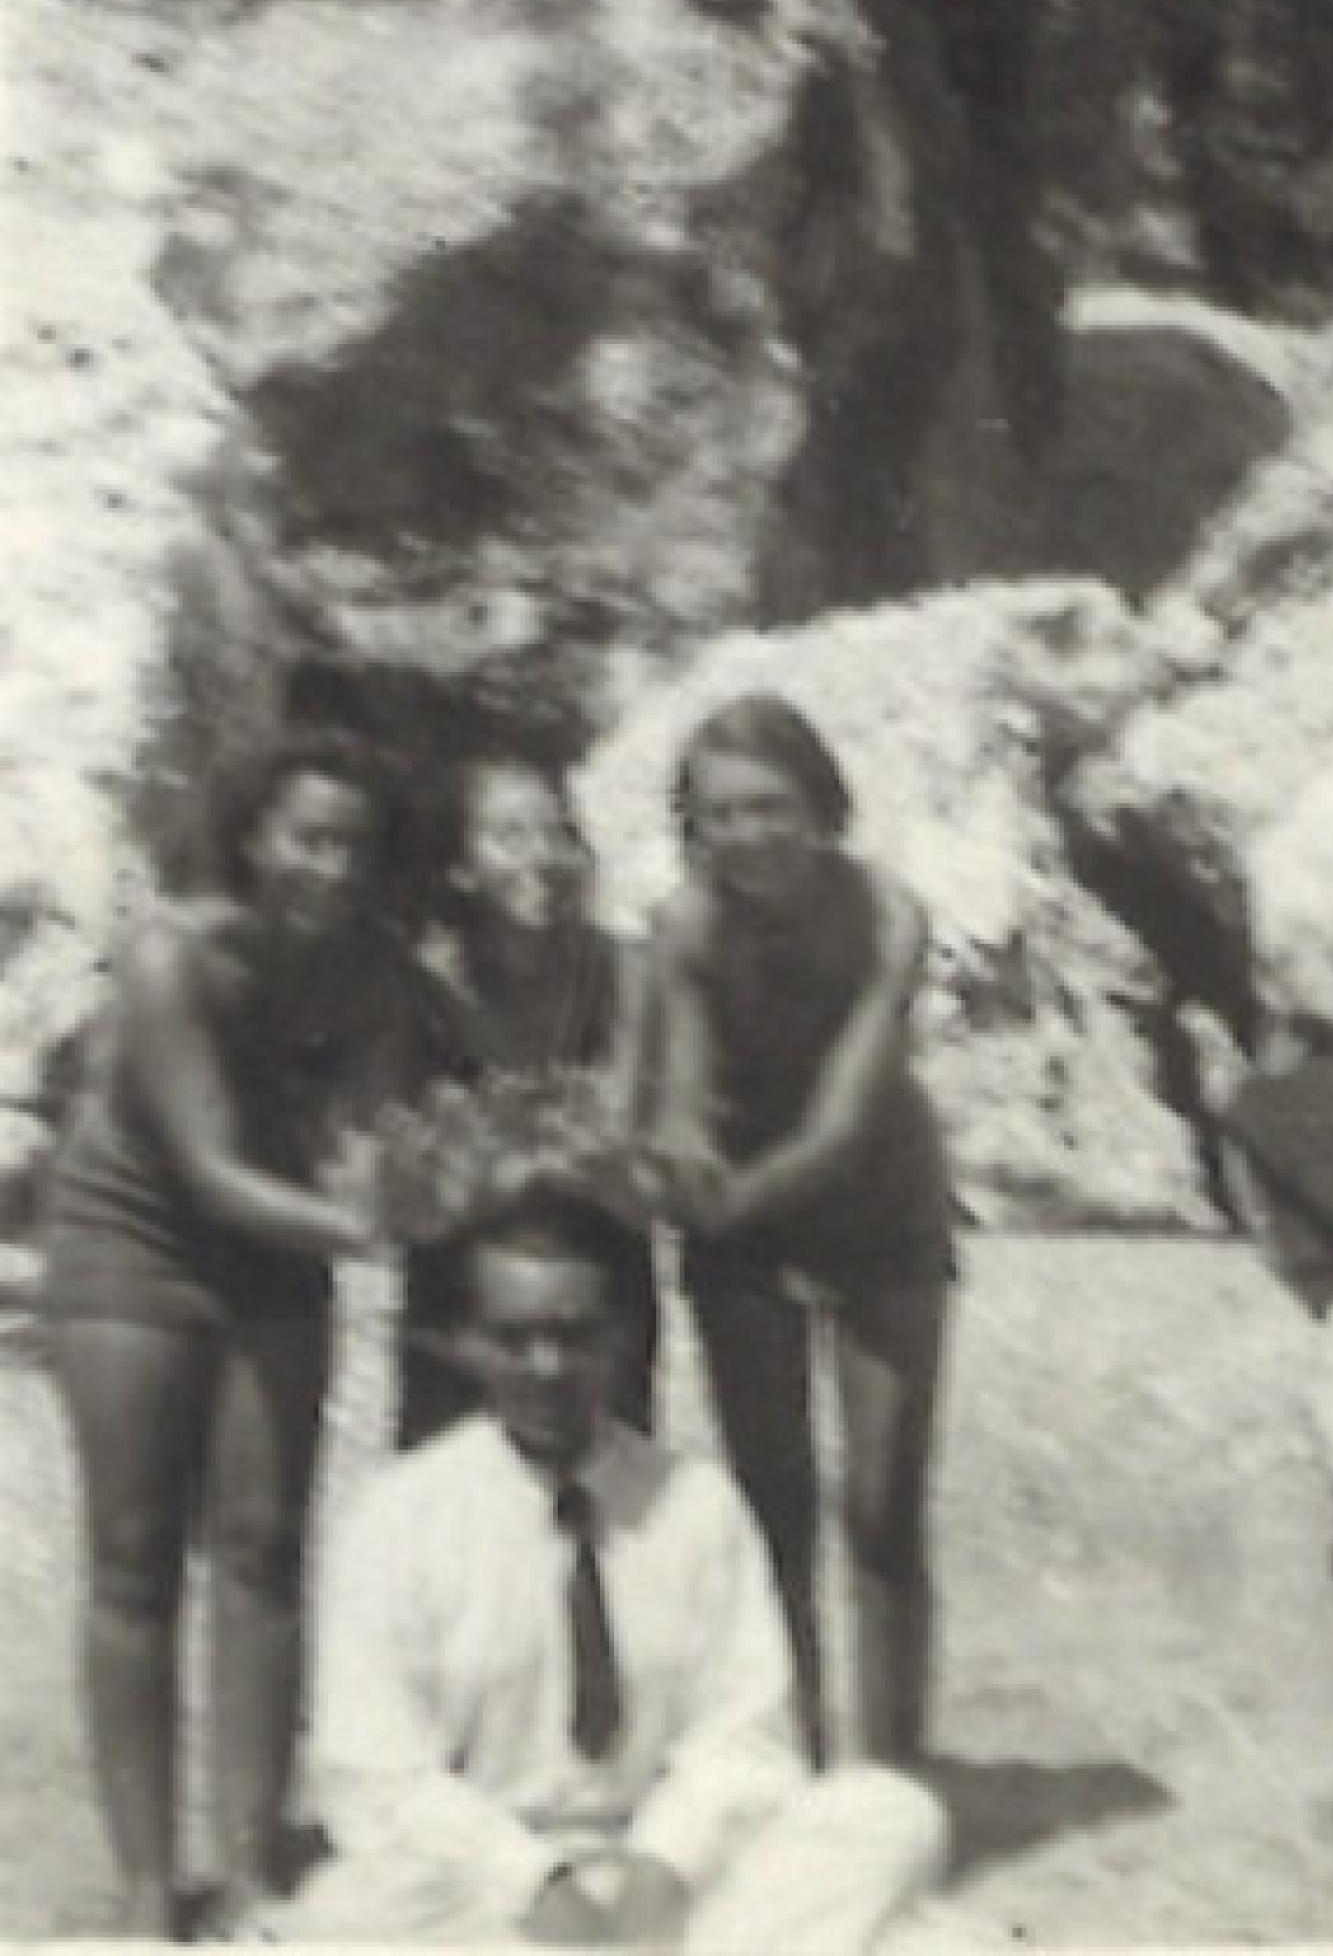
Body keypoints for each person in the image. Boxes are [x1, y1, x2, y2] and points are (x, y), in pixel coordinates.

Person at [278, 1166, 950, 1951]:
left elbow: (749, 1735)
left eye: (574, 1334)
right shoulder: (398, 1517)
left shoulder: (695, 1503)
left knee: (890, 1814)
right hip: (486, 1886)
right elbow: (373, 1767)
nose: (547, 1366)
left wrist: (661, 1870)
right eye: (513, 1338)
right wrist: (534, 1882)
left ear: (622, 1336)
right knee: (342, 1911)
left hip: (669, 1879)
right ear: (463, 1342)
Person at [40, 728, 425, 1940]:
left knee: (263, 1548)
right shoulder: (173, 954)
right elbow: (208, 1167)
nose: (332, 866)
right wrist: (365, 1230)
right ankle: (149, 1886)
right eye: (309, 838)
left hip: (274, 1250)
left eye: (355, 843)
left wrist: (388, 1189)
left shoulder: (377, 972)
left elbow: (361, 1141)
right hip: (130, 1242)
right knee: (135, 1557)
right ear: (253, 836)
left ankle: (252, 1867)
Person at [648, 695, 954, 1767]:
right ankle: (796, 1753)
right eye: (722, 813)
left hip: (879, 1210)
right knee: (771, 1504)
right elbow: (683, 1091)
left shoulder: (887, 916)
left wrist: (726, 1200)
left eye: (771, 806)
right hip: (743, 1218)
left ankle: (891, 1772)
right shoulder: (685, 924)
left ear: (821, 805)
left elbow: (841, 1120)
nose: (749, 834)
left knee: (881, 1507)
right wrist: (684, 1162)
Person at [399, 746, 658, 1446]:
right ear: (460, 866)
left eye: (556, 833)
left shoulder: (625, 970)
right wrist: (555, 1157)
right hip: (459, 1281)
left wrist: (497, 1166)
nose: (540, 855)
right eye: (509, 836)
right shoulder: (419, 988)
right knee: (449, 1484)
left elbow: (620, 1149)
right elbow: (414, 1199)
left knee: (604, 1482)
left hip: (595, 1267)